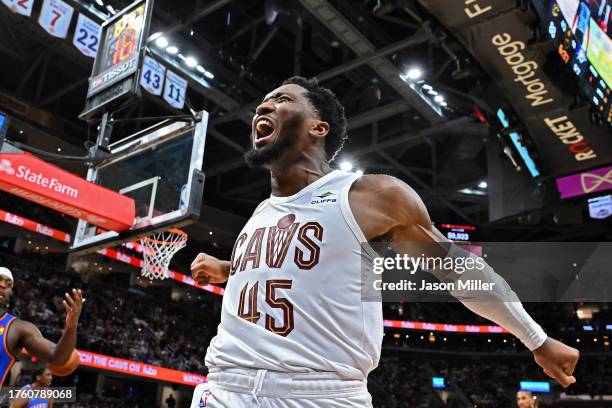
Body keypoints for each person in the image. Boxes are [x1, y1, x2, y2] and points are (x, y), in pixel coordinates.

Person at [190, 77, 580, 407]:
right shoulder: (261, 213)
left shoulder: (369, 195)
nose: (263, 107)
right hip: (224, 388)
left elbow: (460, 271)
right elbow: (296, 270)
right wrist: (228, 268)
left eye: (282, 99)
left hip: (317, 395)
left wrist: (536, 337)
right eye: (262, 102)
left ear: (318, 127)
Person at [0, 267, 84, 387]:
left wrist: (71, 328)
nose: (3, 285)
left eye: (8, 284)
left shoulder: (17, 328)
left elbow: (57, 356)